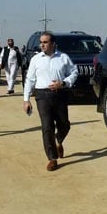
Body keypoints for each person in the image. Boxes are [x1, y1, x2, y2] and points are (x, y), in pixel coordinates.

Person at [22, 32, 78, 171]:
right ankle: (52, 158)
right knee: (47, 127)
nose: (42, 44)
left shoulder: (63, 57)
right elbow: (30, 79)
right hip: (42, 95)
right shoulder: (36, 59)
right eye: (41, 42)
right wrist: (26, 99)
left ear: (53, 43)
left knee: (64, 124)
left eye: (45, 42)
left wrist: (64, 83)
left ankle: (59, 140)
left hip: (59, 94)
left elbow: (74, 72)